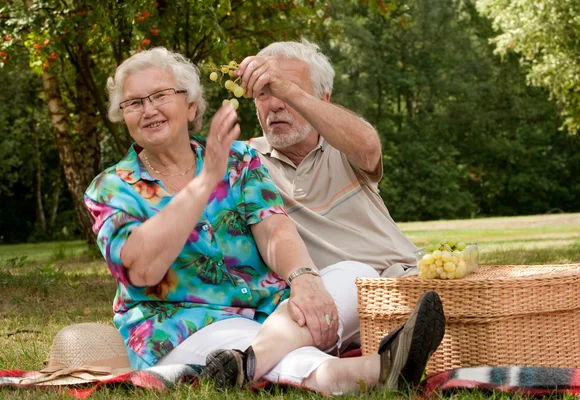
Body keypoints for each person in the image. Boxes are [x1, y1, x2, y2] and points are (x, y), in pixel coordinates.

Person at [84, 47, 445, 395]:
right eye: (134, 103)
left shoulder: (239, 158)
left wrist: (304, 280)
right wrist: (204, 182)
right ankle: (371, 372)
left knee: (351, 275)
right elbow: (142, 272)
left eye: (160, 95)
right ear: (124, 116)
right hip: (183, 325)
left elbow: (273, 227)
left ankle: (247, 363)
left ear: (191, 106)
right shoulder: (111, 189)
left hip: (271, 312)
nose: (149, 110)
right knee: (258, 342)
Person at [241, 40, 417, 277]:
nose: (274, 104)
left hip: (400, 278)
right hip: (326, 295)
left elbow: (367, 145)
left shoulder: (341, 144)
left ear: (322, 99)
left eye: (285, 90)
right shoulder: (244, 162)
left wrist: (288, 90)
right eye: (263, 93)